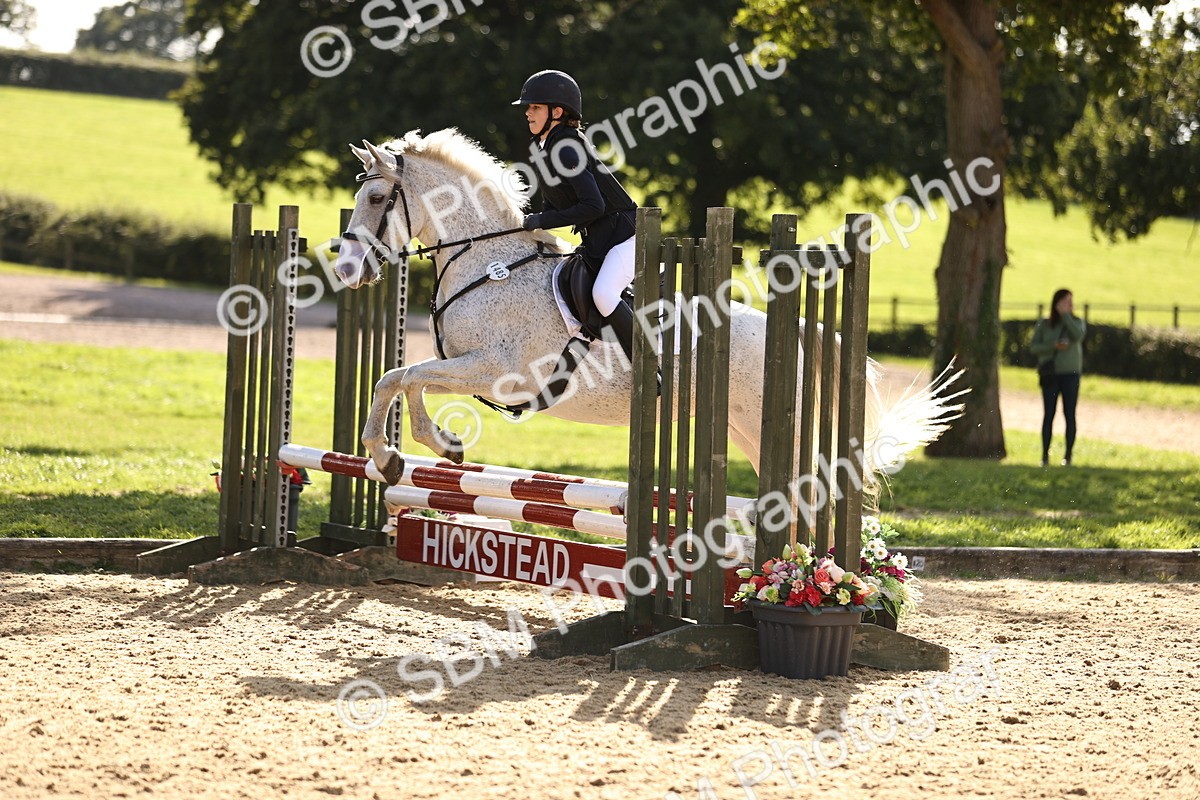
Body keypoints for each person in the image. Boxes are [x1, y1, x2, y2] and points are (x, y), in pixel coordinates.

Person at [512, 69, 639, 358]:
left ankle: (648, 361)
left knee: (604, 295)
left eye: (535, 107)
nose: (528, 113)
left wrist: (542, 221)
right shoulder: (547, 147)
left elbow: (594, 206)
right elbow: (554, 204)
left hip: (625, 238)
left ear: (557, 111)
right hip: (602, 240)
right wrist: (529, 223)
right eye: (528, 108)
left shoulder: (567, 147)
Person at [1030, 288, 1086, 466]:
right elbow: (1034, 347)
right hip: (1051, 375)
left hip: (1071, 375)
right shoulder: (1045, 324)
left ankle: (1068, 456)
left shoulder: (1076, 322)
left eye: (1071, 301)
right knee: (1049, 414)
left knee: (1070, 414)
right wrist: (1053, 345)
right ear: (1056, 303)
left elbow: (1078, 335)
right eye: (1065, 302)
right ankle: (1045, 456)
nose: (1069, 305)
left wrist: (1066, 317)